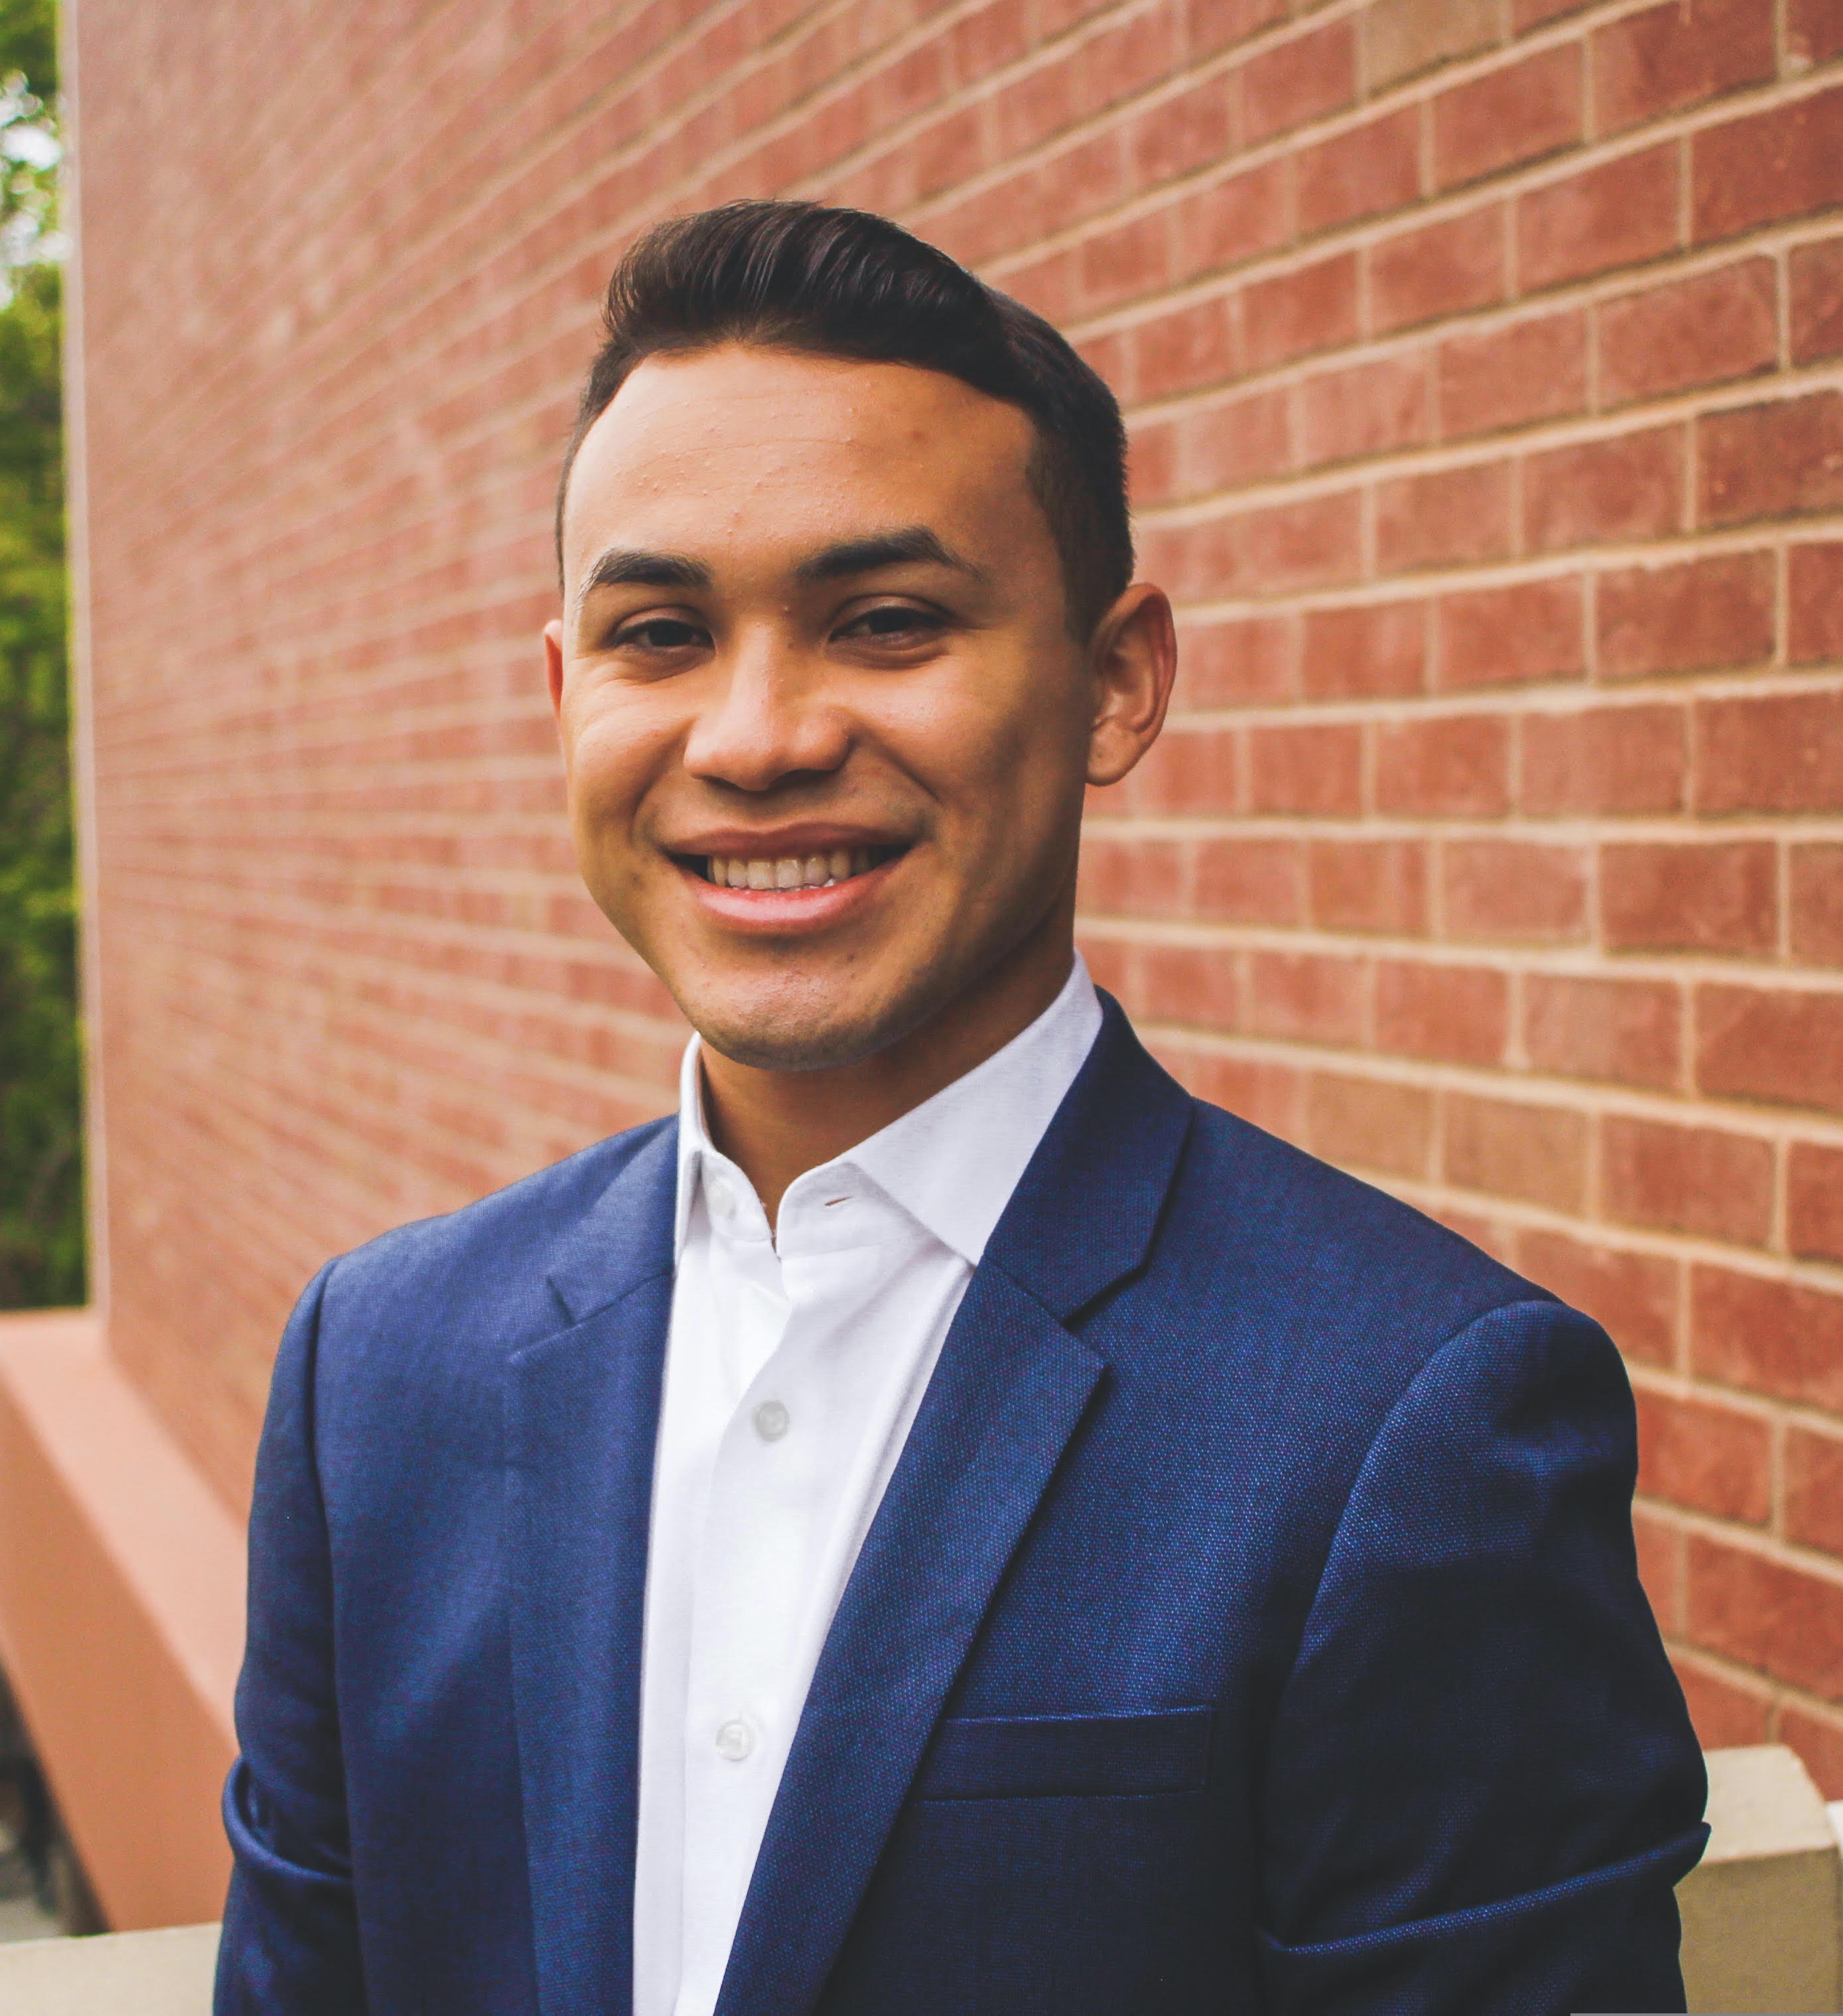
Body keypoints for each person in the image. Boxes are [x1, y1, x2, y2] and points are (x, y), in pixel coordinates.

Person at [216, 200, 1707, 2016]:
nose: (754, 735)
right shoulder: (376, 1373)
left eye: (887, 619)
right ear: (562, 695)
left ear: (1115, 677)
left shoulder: (1415, 1420)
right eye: (661, 632)